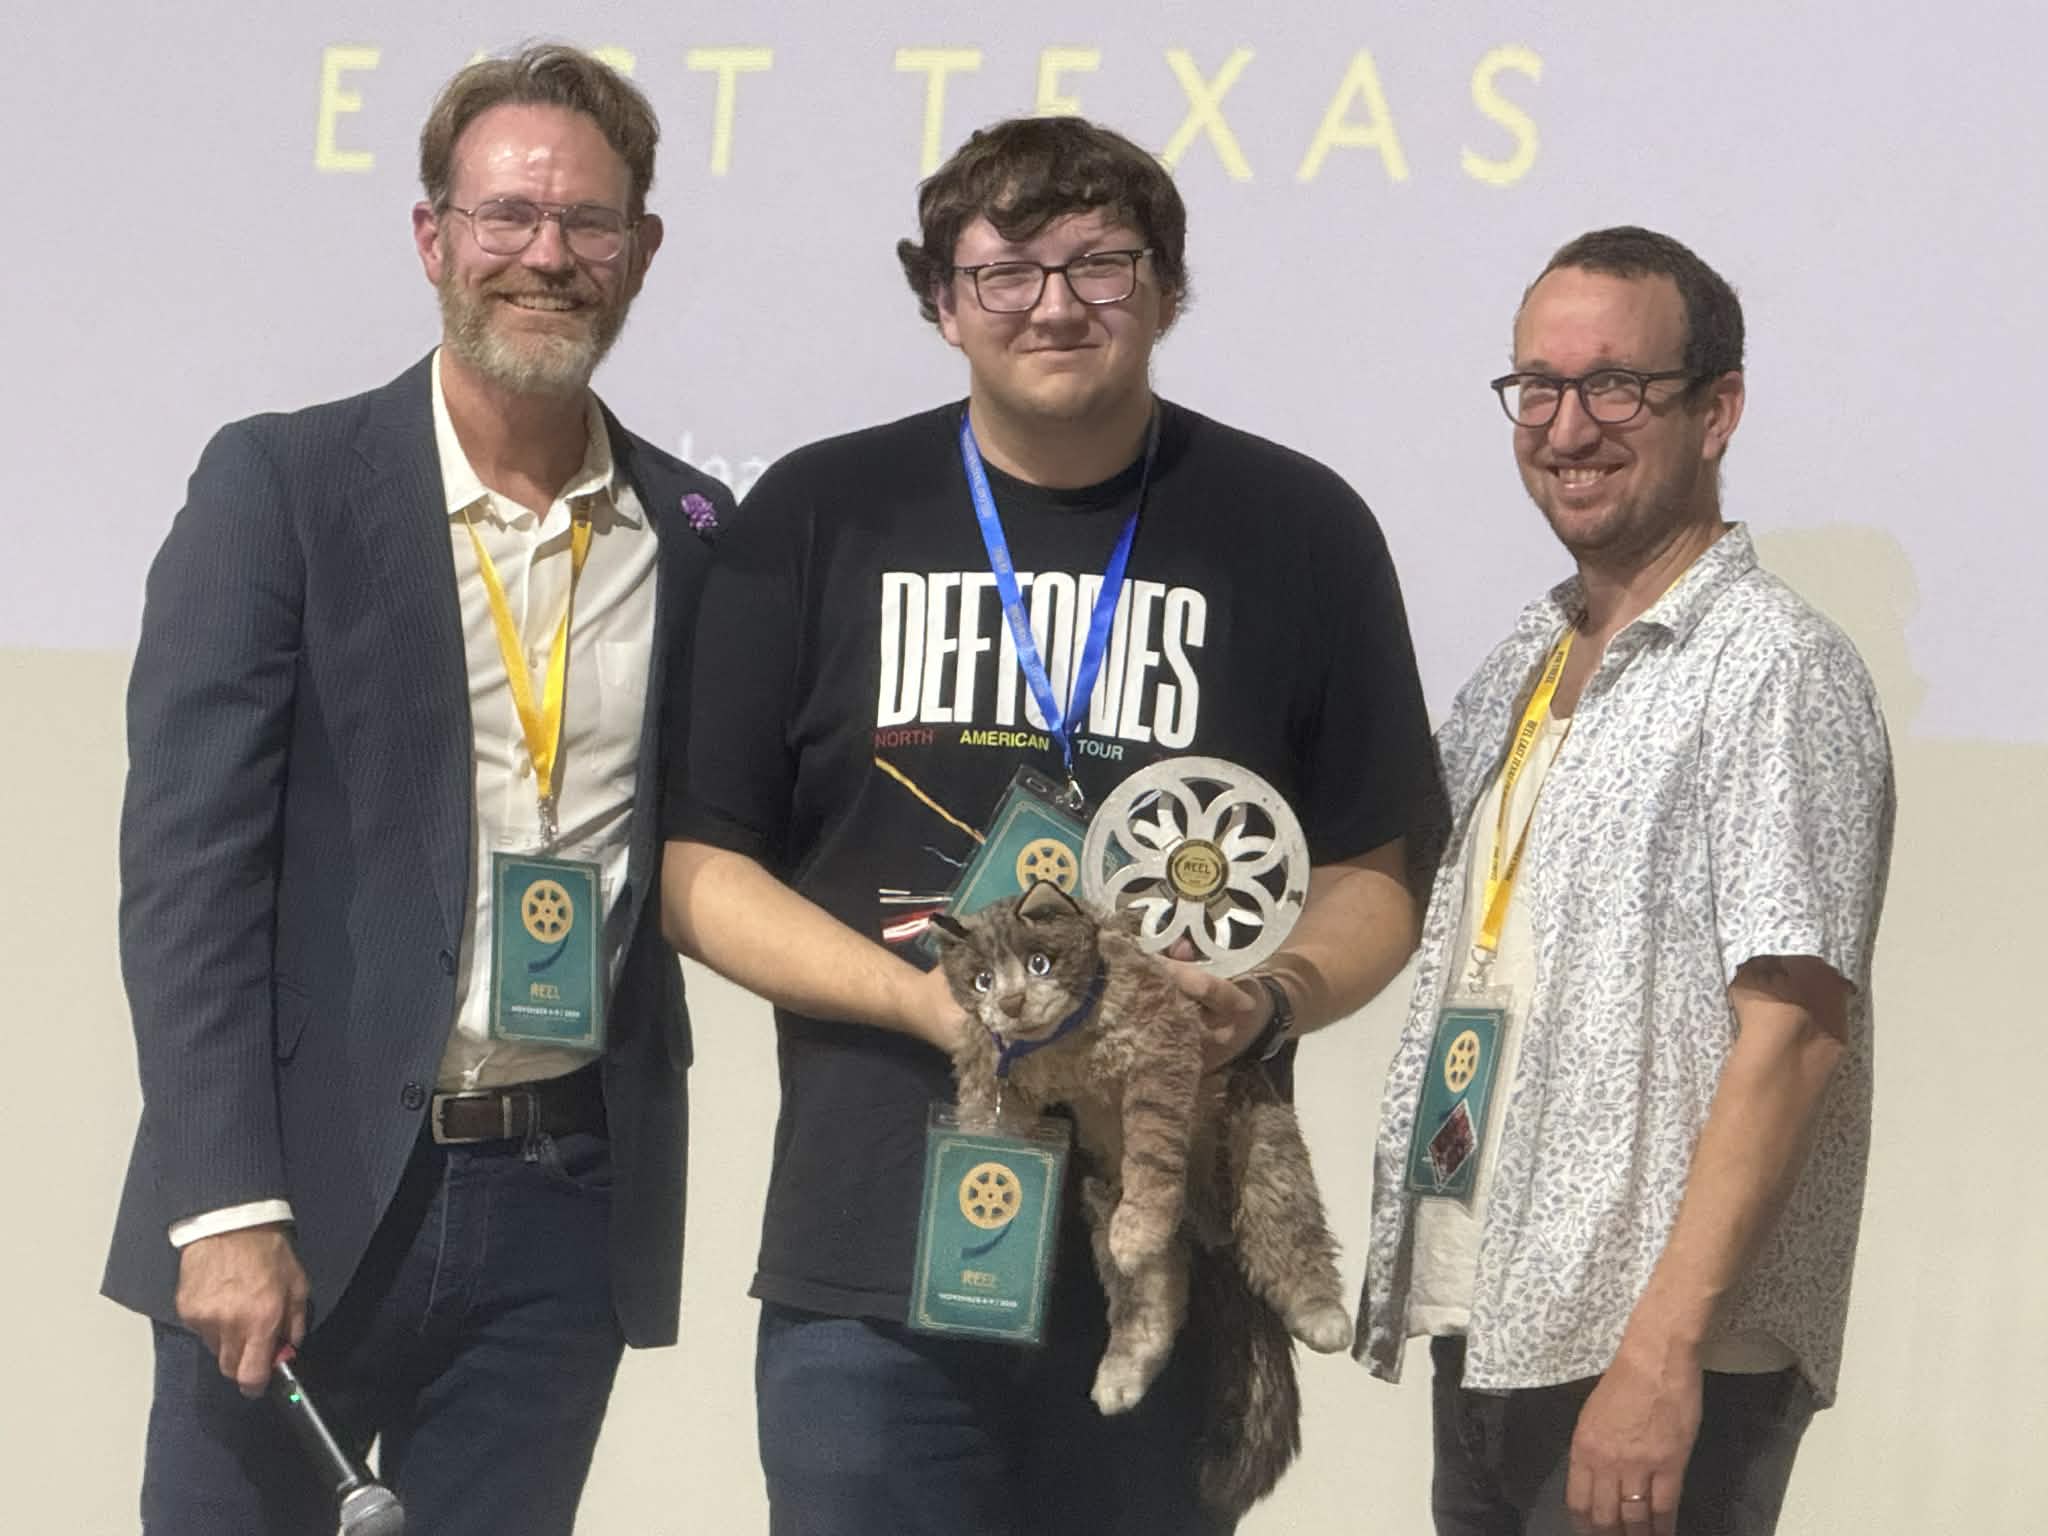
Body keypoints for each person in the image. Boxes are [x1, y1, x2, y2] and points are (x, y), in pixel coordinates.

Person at [660, 115, 1441, 1535]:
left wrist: (1266, 999)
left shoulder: (1299, 529)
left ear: (1168, 288)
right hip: (875, 1259)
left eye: (1102, 264)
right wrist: (921, 1004)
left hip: (1163, 1254)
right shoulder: (820, 513)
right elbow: (702, 869)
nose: (1057, 305)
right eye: (1007, 270)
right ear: (943, 301)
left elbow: (1376, 872)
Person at [102, 44, 732, 1534]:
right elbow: (189, 875)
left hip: (561, 1207)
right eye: (507, 213)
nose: (546, 255)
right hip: (298, 1196)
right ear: (433, 235)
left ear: (642, 251)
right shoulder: (281, 486)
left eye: (587, 221)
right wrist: (225, 1203)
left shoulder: (695, 529)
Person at [1357, 226, 1895, 1536]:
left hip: (1650, 1357)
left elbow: (1794, 1031)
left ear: (1717, 410)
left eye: (1615, 385)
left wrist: (1662, 1353)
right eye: (1537, 386)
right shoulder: (1527, 656)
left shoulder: (1773, 666)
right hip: (1497, 1320)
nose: (1567, 426)